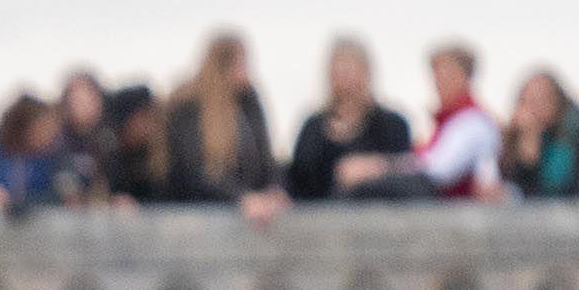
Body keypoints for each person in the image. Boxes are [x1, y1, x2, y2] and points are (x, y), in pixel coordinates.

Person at [164, 31, 281, 214]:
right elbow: (194, 171)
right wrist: (240, 198)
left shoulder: (248, 103)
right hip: (199, 214)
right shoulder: (188, 107)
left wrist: (274, 189)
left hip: (249, 213)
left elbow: (265, 157)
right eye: (242, 64)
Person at [282, 37, 411, 203]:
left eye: (351, 70)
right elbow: (295, 184)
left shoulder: (392, 125)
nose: (346, 79)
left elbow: (410, 171)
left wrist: (375, 167)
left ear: (366, 73)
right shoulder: (312, 129)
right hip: (321, 216)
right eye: (340, 71)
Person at [384, 41, 504, 199]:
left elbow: (439, 171)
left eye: (446, 74)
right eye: (436, 76)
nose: (438, 83)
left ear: (464, 77)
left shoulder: (474, 122)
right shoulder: (447, 122)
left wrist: (384, 166)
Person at [0, 93, 77, 215]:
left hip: (41, 221)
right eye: (42, 127)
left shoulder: (57, 155)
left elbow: (60, 196)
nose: (49, 135)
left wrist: (13, 202)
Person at [498, 67, 579, 198]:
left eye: (543, 99)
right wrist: (527, 145)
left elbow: (565, 188)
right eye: (529, 101)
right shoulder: (513, 137)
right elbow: (514, 186)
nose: (535, 108)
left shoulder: (577, 130)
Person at [52, 69, 125, 205]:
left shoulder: (111, 140)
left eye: (88, 98)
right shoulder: (54, 141)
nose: (83, 105)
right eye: (77, 100)